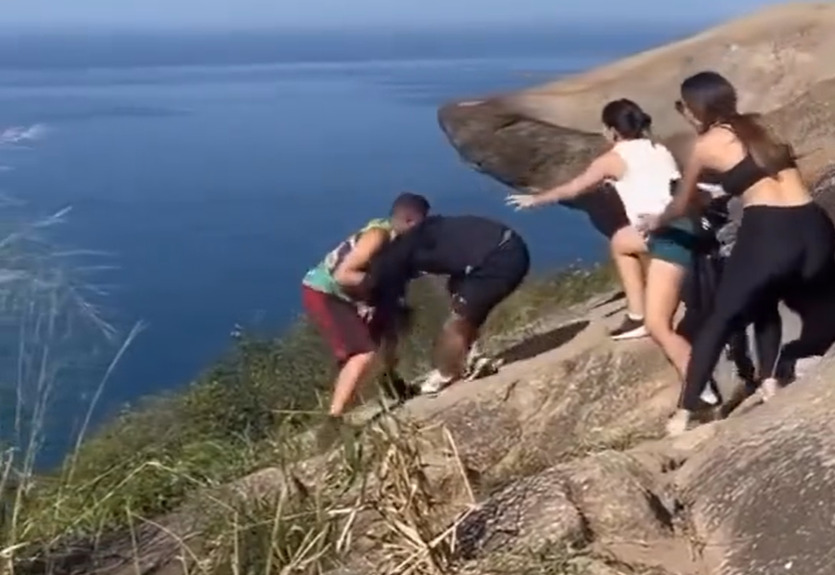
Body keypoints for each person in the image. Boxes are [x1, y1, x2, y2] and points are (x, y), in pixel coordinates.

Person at [639, 71, 835, 436]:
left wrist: (656, 222)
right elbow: (765, 173)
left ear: (693, 109)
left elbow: (683, 204)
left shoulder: (705, 144)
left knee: (721, 318)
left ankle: (684, 413)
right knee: (766, 300)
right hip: (815, 226)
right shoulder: (760, 127)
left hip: (771, 232)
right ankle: (769, 381)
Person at [506, 99, 700, 395]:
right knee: (624, 240)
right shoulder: (659, 149)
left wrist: (535, 199)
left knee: (621, 244)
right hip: (685, 224)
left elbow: (574, 188)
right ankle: (640, 311)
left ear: (611, 130)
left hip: (659, 231)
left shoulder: (612, 159)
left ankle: (637, 316)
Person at [301, 192, 430, 444]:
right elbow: (343, 275)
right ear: (411, 221)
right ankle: (333, 422)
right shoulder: (377, 236)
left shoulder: (397, 243)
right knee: (362, 352)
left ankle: (391, 383)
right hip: (326, 292)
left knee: (394, 323)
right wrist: (373, 291)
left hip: (354, 294)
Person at [361, 214, 530, 394]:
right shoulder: (418, 237)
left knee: (456, 324)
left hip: (498, 258)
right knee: (458, 293)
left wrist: (387, 365)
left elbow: (391, 322)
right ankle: (471, 355)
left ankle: (445, 375)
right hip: (505, 244)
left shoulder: (395, 262)